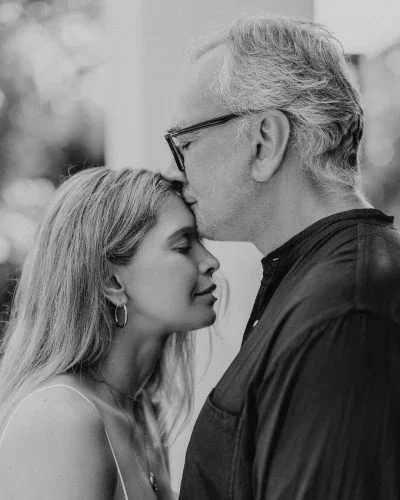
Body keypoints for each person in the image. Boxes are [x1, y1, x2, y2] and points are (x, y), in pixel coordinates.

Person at [164, 15, 400, 500]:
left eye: (186, 142)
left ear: (265, 141)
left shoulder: (344, 315)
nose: (174, 168)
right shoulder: (325, 284)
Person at [0, 167, 220, 500]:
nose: (211, 261)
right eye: (182, 245)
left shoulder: (141, 413)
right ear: (112, 282)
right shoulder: (59, 419)